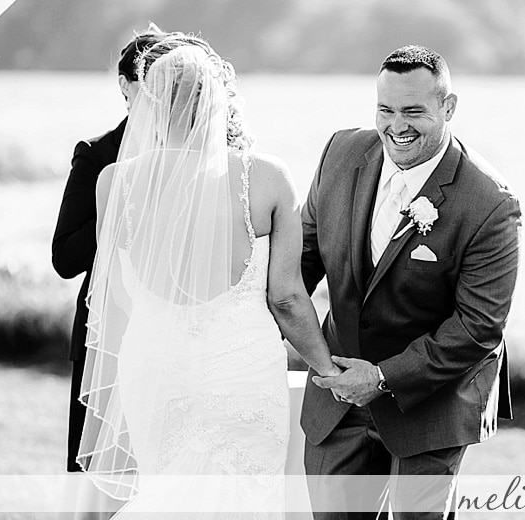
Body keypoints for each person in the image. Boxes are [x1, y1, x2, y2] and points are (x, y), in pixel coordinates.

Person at [76, 35, 340, 518]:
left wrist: (172, 331)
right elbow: (286, 298)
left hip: (154, 368)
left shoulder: (114, 181)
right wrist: (326, 368)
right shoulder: (266, 177)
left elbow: (115, 293)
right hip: (240, 374)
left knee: (165, 494)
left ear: (149, 103)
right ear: (220, 102)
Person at [300, 45, 521, 518]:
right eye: (385, 109)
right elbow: (299, 262)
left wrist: (380, 379)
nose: (396, 126)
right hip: (338, 397)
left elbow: (479, 326)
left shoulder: (490, 204)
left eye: (414, 111)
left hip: (430, 403)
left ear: (449, 107)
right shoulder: (340, 154)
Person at [52, 23, 169, 478]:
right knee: (95, 476)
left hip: (170, 333)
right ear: (125, 86)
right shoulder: (98, 153)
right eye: (150, 85)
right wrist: (121, 205)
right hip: (107, 333)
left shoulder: (197, 155)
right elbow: (65, 257)